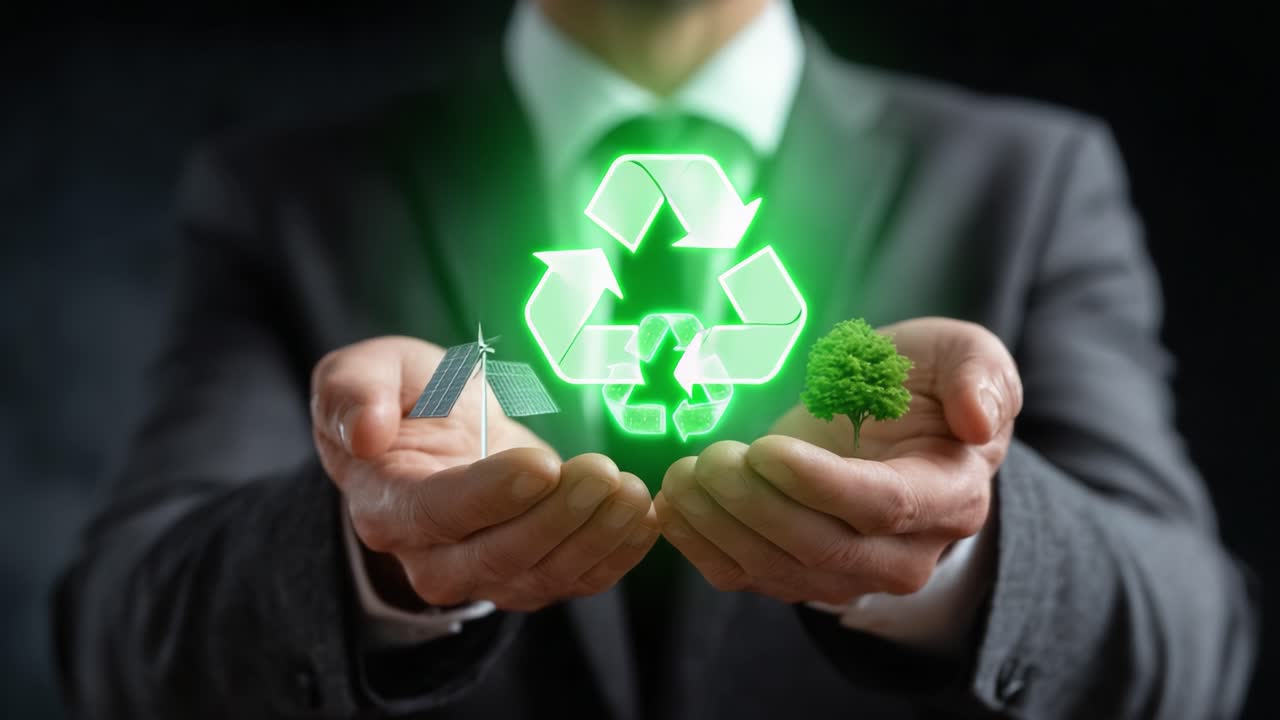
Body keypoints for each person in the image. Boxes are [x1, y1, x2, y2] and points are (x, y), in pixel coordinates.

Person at [55, 0, 1257, 717]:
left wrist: (960, 551)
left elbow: (1193, 649)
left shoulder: (1028, 180)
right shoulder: (289, 197)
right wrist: (368, 560)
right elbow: (118, 647)